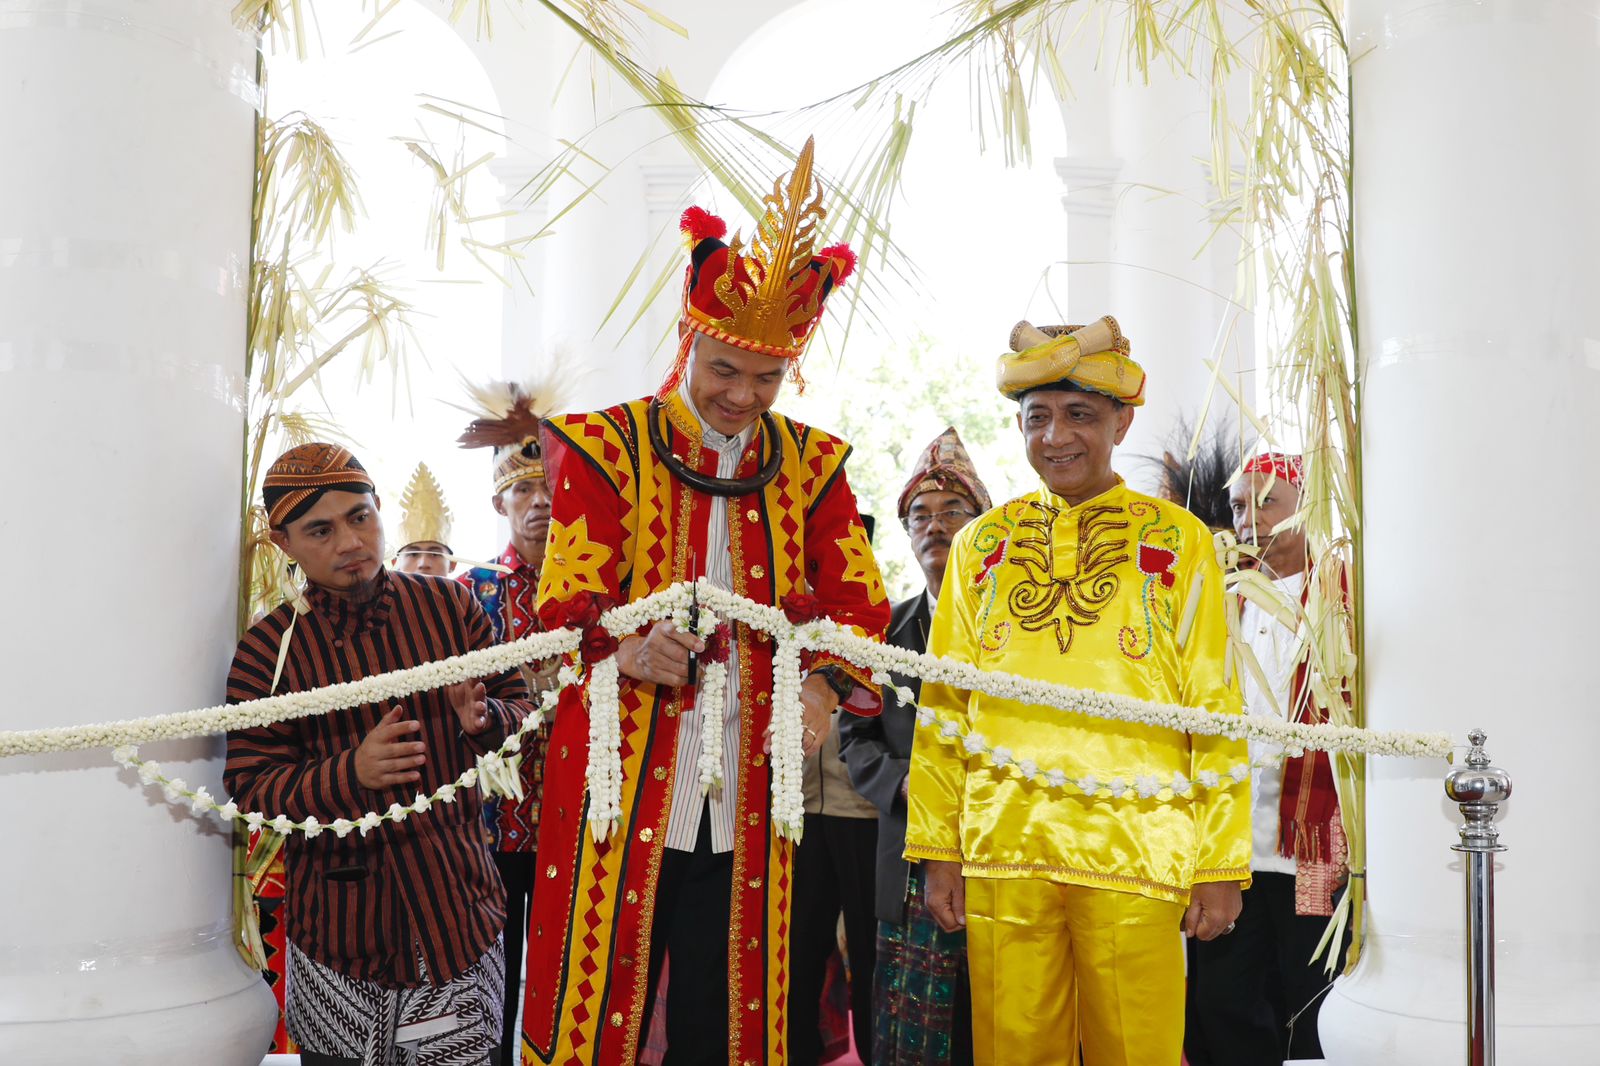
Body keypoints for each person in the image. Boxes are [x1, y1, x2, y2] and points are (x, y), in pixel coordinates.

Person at [520, 137, 892, 1065]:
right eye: (725, 368)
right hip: (618, 772)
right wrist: (623, 649)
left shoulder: (813, 465)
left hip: (756, 783)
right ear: (689, 339)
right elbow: (562, 608)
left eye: (768, 378)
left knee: (728, 1022)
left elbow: (861, 607)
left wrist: (821, 688)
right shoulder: (605, 448)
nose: (743, 395)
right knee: (595, 1007)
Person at [903, 318, 1251, 1066]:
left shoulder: (1179, 540)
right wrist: (938, 848)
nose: (1056, 436)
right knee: (1012, 1051)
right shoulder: (981, 546)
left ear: (1121, 423)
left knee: (1138, 1051)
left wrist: (1220, 862)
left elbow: (1215, 705)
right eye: (1038, 417)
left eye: (1080, 415)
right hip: (1003, 848)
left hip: (1139, 850)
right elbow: (945, 706)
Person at [224, 442, 535, 1066]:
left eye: (359, 517)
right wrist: (350, 773)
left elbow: (520, 707)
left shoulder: (450, 608)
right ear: (284, 543)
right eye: (321, 530)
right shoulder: (269, 650)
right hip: (340, 944)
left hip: (461, 926)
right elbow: (250, 785)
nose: (350, 542)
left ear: (379, 509)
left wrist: (485, 721)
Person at [1185, 452, 1350, 1065]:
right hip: (1231, 845)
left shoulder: (1344, 597)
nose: (1247, 518)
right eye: (1237, 506)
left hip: (1314, 844)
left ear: (1307, 508)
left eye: (1266, 502)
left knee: (1312, 998)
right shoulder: (1219, 600)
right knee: (1223, 999)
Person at [840, 427, 990, 1066]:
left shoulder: (1021, 625)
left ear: (983, 526)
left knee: (1001, 1023)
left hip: (1002, 848)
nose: (936, 526)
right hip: (907, 856)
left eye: (953, 511)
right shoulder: (884, 633)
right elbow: (856, 739)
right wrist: (908, 783)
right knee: (910, 1034)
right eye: (920, 515)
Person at [456, 376, 569, 1065]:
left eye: (550, 487)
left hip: (575, 820)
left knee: (567, 981)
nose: (540, 503)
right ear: (499, 502)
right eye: (523, 490)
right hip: (486, 828)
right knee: (487, 983)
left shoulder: (597, 592)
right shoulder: (466, 593)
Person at [788, 511, 887, 1065]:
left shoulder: (872, 628)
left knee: (869, 953)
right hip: (798, 815)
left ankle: (873, 1053)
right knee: (799, 950)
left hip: (863, 814)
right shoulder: (787, 621)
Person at [392, 461, 455, 578]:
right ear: (395, 562)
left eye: (434, 554)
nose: (423, 564)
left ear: (452, 564)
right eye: (413, 554)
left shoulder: (470, 591)